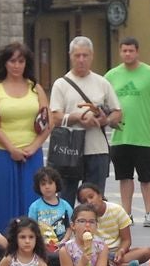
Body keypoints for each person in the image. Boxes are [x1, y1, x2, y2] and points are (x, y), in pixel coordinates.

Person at [49, 36, 122, 206]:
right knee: (66, 199)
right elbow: (55, 118)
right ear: (70, 56)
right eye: (77, 55)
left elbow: (118, 113)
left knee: (94, 201)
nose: (81, 60)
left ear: (92, 56)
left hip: (97, 149)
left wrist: (105, 120)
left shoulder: (102, 83)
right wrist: (77, 117)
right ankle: (67, 231)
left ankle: (91, 232)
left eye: (85, 55)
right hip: (69, 150)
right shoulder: (61, 84)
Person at [0, 42, 51, 231]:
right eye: (12, 61)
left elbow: (47, 123)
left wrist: (34, 146)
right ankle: (1, 243)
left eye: (21, 61)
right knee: (3, 200)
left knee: (32, 200)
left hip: (32, 154)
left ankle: (32, 242)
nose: (16, 65)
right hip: (3, 154)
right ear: (4, 63)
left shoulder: (36, 89)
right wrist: (11, 149)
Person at [106, 37, 150, 225]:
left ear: (137, 52)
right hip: (120, 136)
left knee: (146, 177)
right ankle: (127, 214)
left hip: (143, 135)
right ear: (120, 52)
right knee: (124, 177)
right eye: (124, 51)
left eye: (131, 51)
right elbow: (102, 102)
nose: (127, 54)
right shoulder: (111, 75)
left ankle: (149, 212)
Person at [75, 181, 149, 266]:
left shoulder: (116, 210)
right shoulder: (83, 216)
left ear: (100, 195)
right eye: (84, 201)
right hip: (96, 253)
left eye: (91, 197)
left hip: (115, 253)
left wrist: (121, 251)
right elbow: (80, 242)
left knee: (146, 251)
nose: (89, 202)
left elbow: (126, 240)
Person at [27, 166, 72, 257]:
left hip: (63, 246)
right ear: (38, 187)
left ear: (56, 184)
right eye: (43, 184)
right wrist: (41, 242)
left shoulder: (65, 205)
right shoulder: (35, 207)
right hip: (41, 247)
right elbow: (32, 228)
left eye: (50, 183)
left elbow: (70, 227)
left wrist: (64, 241)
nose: (47, 187)